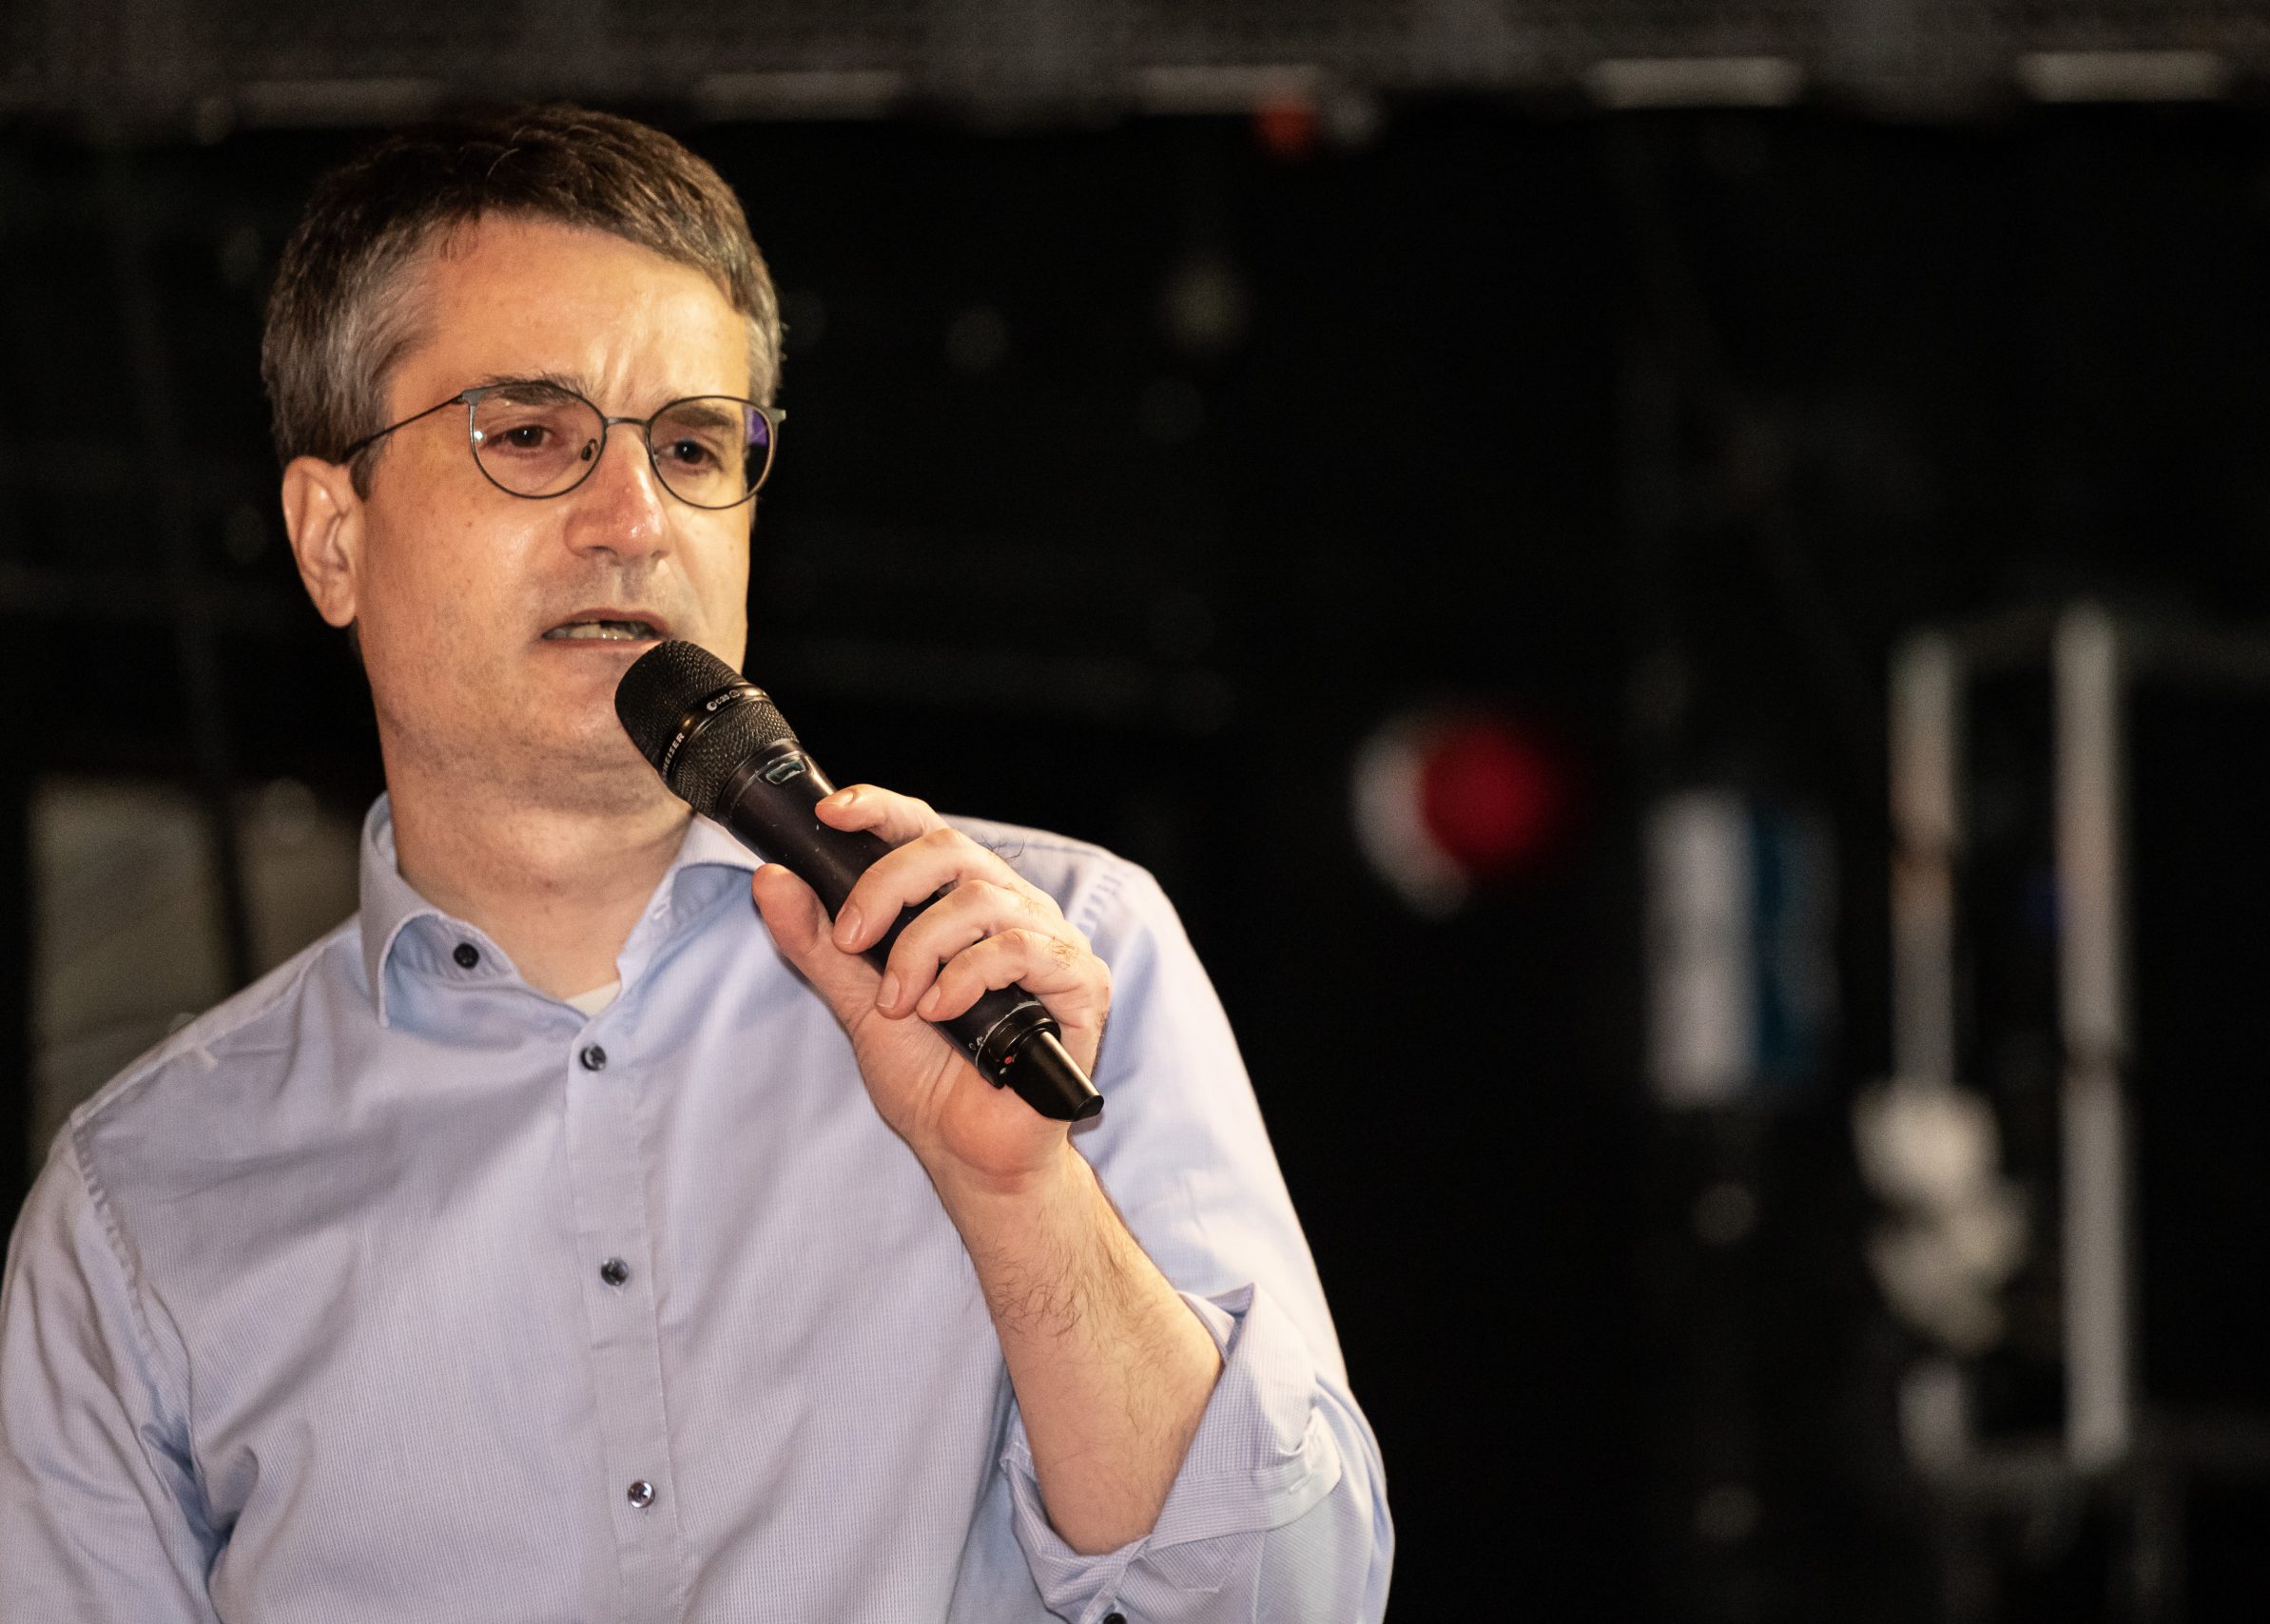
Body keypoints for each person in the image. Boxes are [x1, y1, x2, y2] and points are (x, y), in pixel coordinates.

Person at [0, 105, 1390, 1623]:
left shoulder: (1043, 962)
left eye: (693, 446)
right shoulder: (143, 1208)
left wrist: (1023, 1199)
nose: (635, 519)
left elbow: (1297, 1601)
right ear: (332, 537)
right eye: (532, 436)